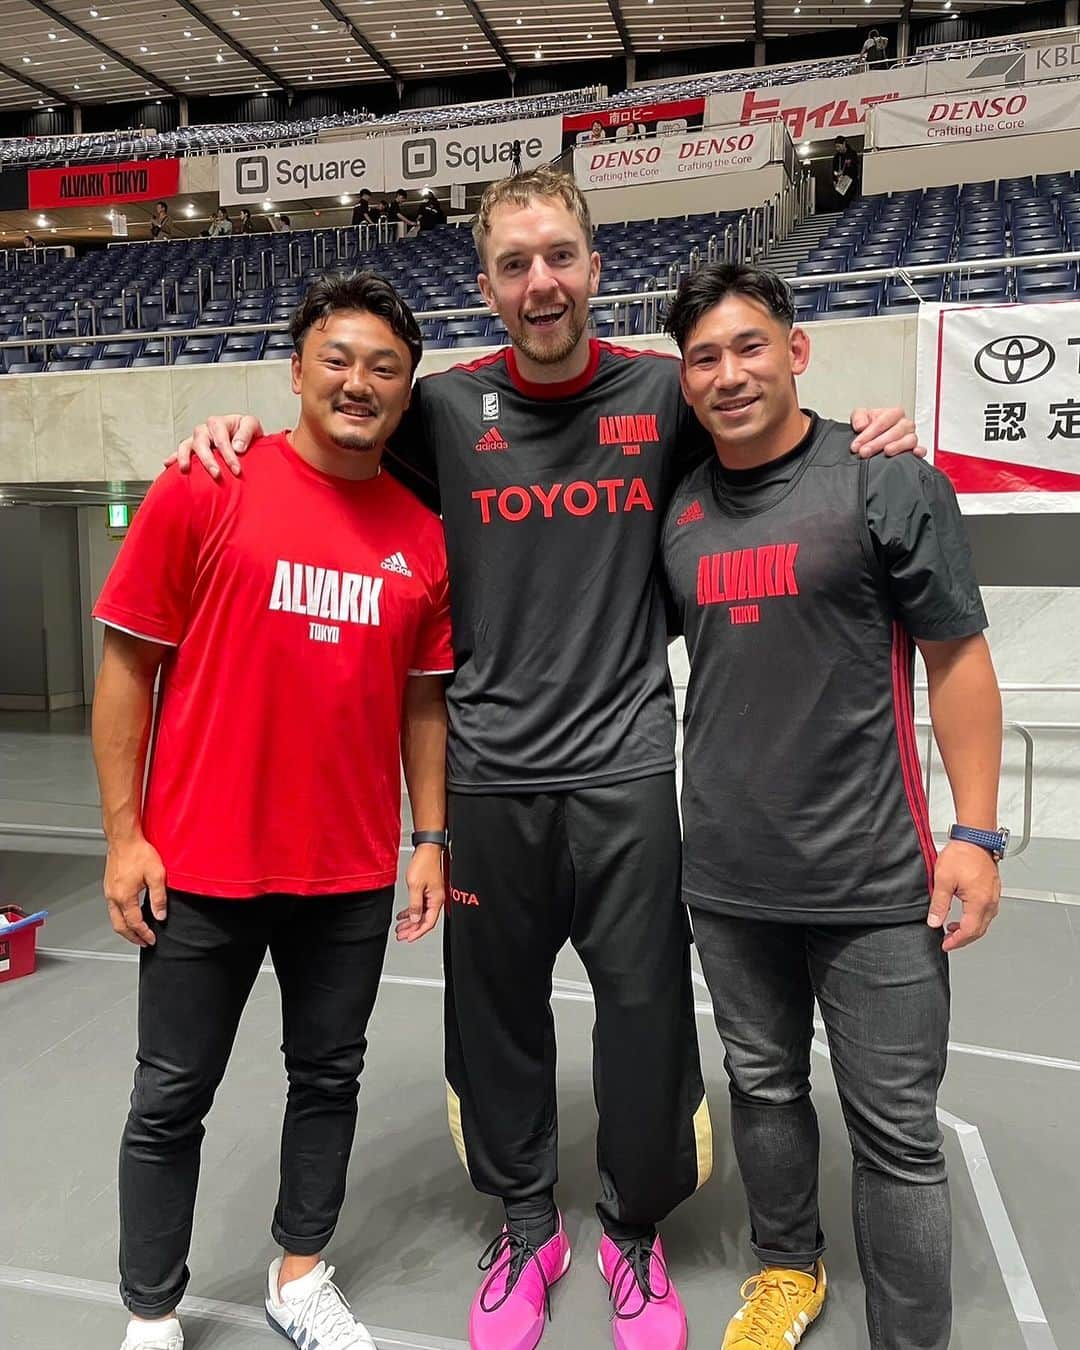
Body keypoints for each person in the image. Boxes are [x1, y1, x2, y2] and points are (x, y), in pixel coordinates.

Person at [172, 168, 919, 1350]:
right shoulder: (443, 411)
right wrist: (234, 436)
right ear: (485, 285)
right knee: (498, 1024)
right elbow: (331, 438)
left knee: (644, 1021)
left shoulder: (666, 397)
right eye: (515, 263)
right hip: (485, 778)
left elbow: (771, 423)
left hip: (625, 771)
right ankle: (528, 1226)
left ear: (594, 263)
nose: (540, 282)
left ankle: (630, 1232)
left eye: (559, 255)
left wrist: (870, 431)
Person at [93, 271, 453, 1350]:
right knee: (169, 1101)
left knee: (326, 1080)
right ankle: (150, 1313)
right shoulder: (207, 485)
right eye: (337, 360)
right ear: (296, 372)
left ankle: (300, 1277)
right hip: (197, 866)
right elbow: (126, 665)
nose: (358, 383)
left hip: (345, 873)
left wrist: (428, 836)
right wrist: (123, 836)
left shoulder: (422, 539)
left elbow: (424, 705)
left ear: (406, 392)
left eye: (384, 369)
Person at [661, 264, 1003, 1350]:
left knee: (895, 1132)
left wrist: (977, 833)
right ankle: (786, 1269)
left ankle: (911, 1337)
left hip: (874, 880)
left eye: (750, 346)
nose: (730, 372)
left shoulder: (885, 478)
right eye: (705, 357)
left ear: (797, 351)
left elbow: (956, 656)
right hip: (725, 878)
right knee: (760, 1091)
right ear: (684, 379)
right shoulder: (676, 514)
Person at [832, 136, 860, 202]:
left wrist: (845, 173)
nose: (837, 149)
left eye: (839, 146)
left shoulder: (852, 154)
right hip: (840, 185)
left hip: (851, 184)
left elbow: (856, 168)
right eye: (836, 147)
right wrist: (834, 179)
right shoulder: (836, 157)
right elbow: (833, 170)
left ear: (844, 144)